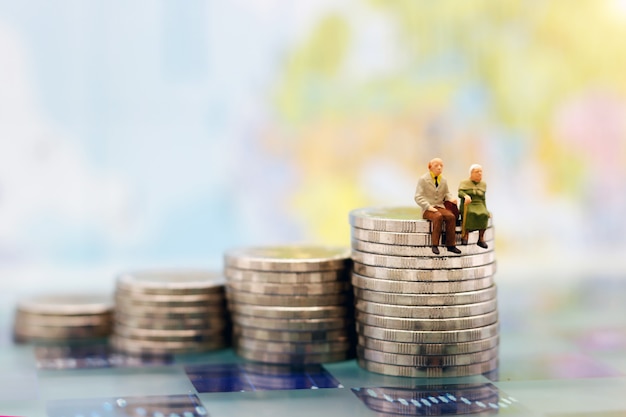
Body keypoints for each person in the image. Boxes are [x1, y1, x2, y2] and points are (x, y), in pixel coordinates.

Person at [414, 158, 461, 255]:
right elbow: (418, 197)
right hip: (428, 208)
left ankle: (451, 245)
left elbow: (447, 193)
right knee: (438, 217)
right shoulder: (423, 179)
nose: (439, 168)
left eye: (441, 166)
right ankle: (435, 245)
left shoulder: (443, 180)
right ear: (430, 167)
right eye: (436, 166)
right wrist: (428, 206)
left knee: (451, 217)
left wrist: (451, 199)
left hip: (440, 206)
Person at [458, 164, 490, 248]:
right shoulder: (464, 183)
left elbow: (483, 199)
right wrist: (465, 196)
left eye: (481, 171)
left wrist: (486, 209)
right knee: (470, 213)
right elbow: (460, 193)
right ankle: (465, 235)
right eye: (477, 172)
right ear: (471, 173)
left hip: (479, 204)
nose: (479, 173)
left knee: (484, 214)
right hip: (469, 204)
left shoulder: (483, 184)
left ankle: (481, 238)